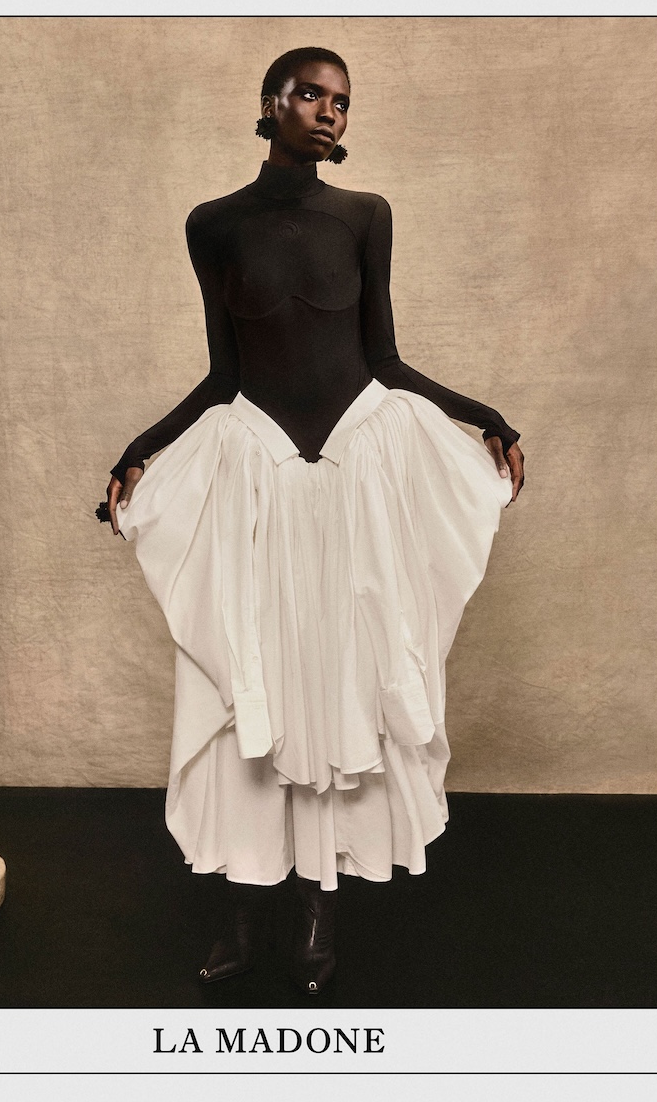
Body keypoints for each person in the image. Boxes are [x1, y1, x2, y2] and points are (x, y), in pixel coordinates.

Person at [104, 48, 524, 993]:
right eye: (310, 94)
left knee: (340, 680)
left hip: (352, 473)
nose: (329, 111)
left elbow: (386, 358)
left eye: (342, 101)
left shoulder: (366, 214)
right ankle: (242, 912)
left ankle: (316, 914)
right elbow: (224, 373)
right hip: (255, 470)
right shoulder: (212, 224)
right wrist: (141, 448)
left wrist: (487, 418)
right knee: (248, 682)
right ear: (271, 104)